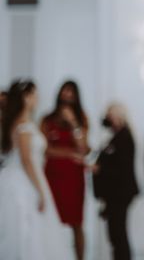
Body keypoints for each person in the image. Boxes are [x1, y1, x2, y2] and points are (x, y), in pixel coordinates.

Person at [0, 80, 73, 259]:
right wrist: (40, 190)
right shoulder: (22, 126)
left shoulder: (25, 123)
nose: (37, 98)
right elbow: (26, 161)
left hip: (28, 177)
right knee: (25, 227)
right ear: (25, 98)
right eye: (34, 95)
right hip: (22, 181)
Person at [41, 80, 90, 260]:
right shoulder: (47, 120)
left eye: (71, 92)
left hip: (74, 178)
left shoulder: (82, 118)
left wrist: (73, 123)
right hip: (53, 176)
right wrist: (70, 153)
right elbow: (45, 149)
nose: (67, 95)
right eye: (65, 91)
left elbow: (83, 148)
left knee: (77, 222)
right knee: (51, 220)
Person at [92, 103, 139, 260]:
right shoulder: (115, 136)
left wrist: (100, 169)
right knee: (115, 234)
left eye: (110, 115)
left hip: (120, 194)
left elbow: (122, 167)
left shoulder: (124, 136)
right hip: (113, 194)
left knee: (118, 233)